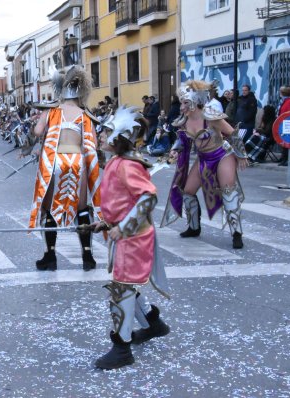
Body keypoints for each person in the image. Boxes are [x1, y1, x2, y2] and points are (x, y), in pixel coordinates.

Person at [92, 105, 170, 370]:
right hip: (125, 235)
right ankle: (152, 323)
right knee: (124, 285)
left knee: (121, 290)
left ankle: (121, 348)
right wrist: (104, 221)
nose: (100, 136)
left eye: (105, 132)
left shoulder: (127, 165)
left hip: (133, 238)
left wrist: (122, 227)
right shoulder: (115, 162)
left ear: (119, 138)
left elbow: (148, 197)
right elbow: (122, 201)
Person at [29, 66, 102, 272]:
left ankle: (50, 255)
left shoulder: (52, 111)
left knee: (49, 206)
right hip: (77, 160)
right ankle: (88, 256)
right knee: (81, 208)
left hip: (55, 160)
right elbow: (93, 143)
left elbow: (37, 131)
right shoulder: (84, 114)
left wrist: (38, 125)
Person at [161, 80, 248, 249]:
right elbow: (181, 140)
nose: (182, 106)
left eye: (185, 102)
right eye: (181, 102)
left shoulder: (211, 117)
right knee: (187, 191)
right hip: (203, 158)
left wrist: (241, 154)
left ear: (195, 101)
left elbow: (232, 133)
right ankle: (194, 227)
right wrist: (174, 150)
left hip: (223, 155)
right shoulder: (183, 121)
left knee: (228, 191)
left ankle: (236, 233)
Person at [277, 86, 290, 166]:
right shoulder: (284, 101)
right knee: (284, 143)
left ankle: (287, 159)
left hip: (287, 125)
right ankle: (284, 159)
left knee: (287, 142)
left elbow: (289, 114)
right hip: (283, 124)